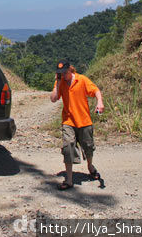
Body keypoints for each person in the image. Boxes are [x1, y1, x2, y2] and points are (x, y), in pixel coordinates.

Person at [50, 59, 104, 190]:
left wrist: (100, 102)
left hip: (84, 120)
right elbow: (53, 99)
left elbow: (96, 90)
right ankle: (69, 180)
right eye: (59, 73)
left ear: (69, 70)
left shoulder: (82, 80)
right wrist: (57, 83)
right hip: (68, 121)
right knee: (68, 147)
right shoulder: (60, 83)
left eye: (64, 73)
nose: (62, 75)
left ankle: (90, 166)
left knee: (88, 147)